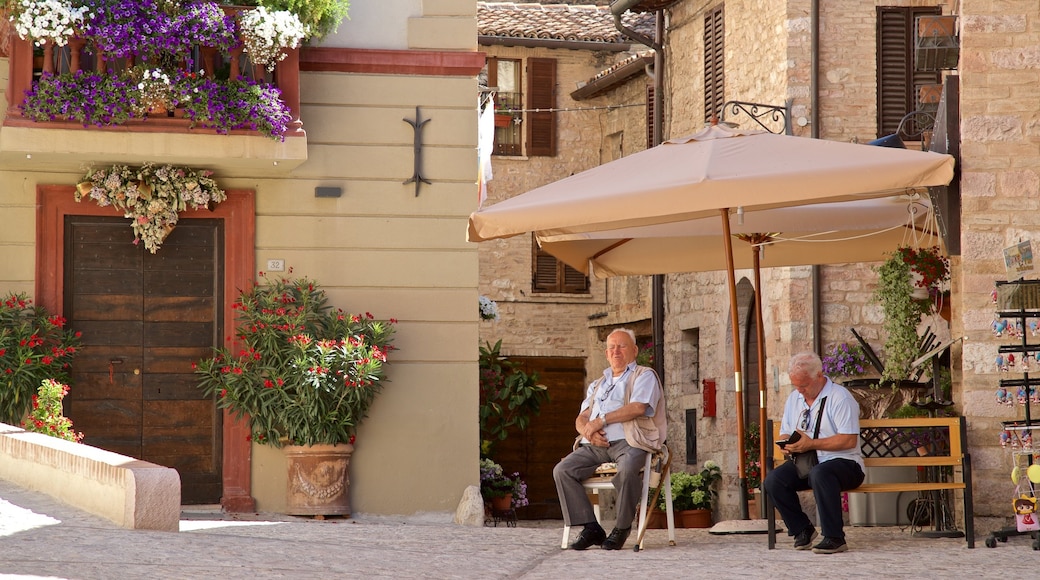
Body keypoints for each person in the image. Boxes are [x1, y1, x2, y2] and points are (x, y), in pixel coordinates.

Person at [552, 328, 665, 551]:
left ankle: (622, 528)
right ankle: (591, 527)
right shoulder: (598, 384)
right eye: (612, 347)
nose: (616, 351)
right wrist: (588, 431)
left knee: (628, 467)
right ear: (606, 353)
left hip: (630, 441)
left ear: (634, 350)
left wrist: (601, 421)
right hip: (594, 445)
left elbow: (638, 407)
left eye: (622, 346)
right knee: (562, 470)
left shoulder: (644, 375)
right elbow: (582, 417)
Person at [764, 351, 865, 554]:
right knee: (773, 481)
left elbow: (848, 439)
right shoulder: (795, 398)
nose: (800, 391)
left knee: (821, 473)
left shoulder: (840, 398)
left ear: (819, 376)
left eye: (804, 385)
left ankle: (834, 537)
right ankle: (802, 529)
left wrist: (811, 444)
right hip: (806, 462)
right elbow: (786, 430)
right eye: (796, 386)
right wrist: (786, 443)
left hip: (845, 463)